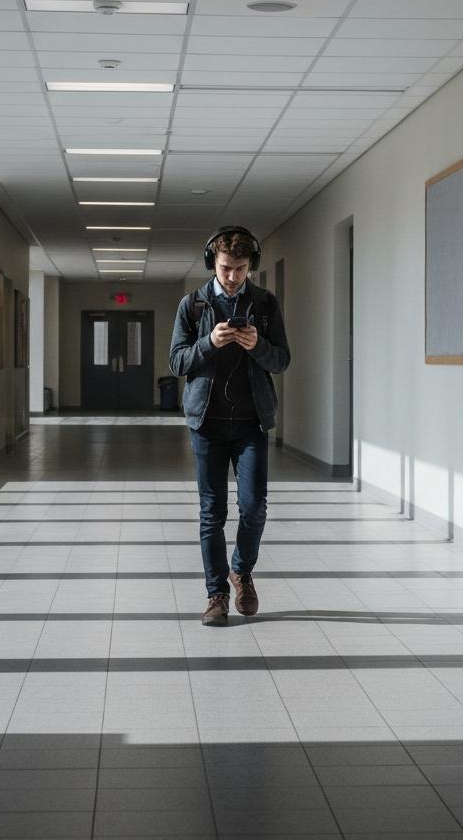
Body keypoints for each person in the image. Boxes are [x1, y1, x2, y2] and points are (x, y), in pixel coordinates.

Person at [169, 227, 291, 626]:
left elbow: (282, 362)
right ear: (212, 263)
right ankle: (216, 594)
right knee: (212, 513)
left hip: (251, 422)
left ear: (250, 265)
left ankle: (241, 569)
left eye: (240, 268)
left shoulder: (266, 305)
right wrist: (209, 343)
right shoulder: (193, 305)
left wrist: (258, 345)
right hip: (207, 423)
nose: (233, 277)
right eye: (225, 268)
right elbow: (177, 363)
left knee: (254, 508)